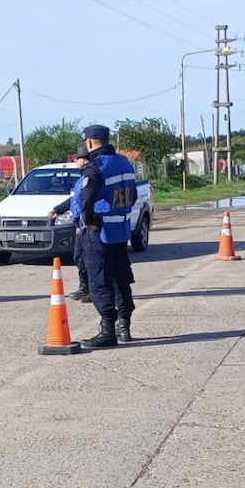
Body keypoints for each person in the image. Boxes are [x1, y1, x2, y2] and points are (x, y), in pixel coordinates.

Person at [78, 124, 137, 348]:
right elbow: (132, 196)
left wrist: (88, 219)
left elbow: (86, 200)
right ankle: (124, 327)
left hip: (100, 232)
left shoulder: (96, 167)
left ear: (89, 142)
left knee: (99, 280)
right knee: (121, 279)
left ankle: (108, 330)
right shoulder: (124, 162)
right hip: (121, 230)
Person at [49, 145, 93, 302]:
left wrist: (84, 223)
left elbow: (87, 202)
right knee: (79, 257)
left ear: (85, 160)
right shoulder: (81, 179)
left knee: (89, 259)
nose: (75, 161)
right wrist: (58, 210)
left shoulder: (90, 178)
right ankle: (85, 287)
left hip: (86, 226)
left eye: (78, 159)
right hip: (79, 225)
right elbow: (74, 200)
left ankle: (94, 290)